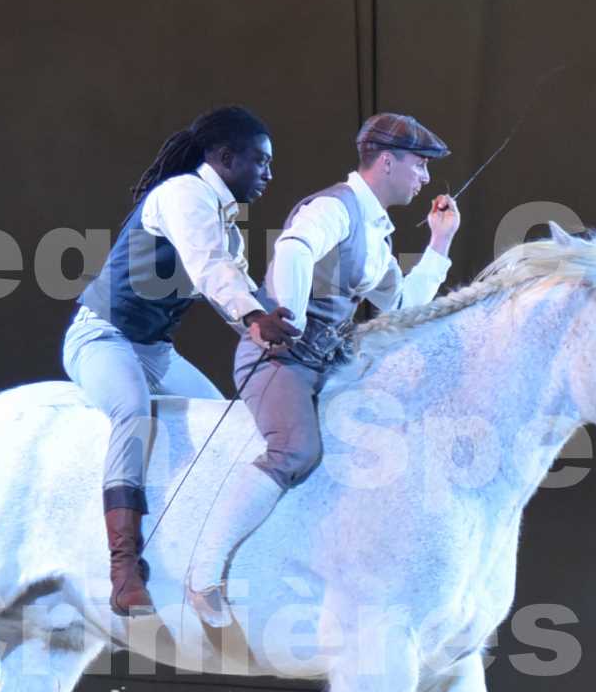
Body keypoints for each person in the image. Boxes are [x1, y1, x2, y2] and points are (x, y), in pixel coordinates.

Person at [185, 112, 462, 626]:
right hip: (280, 359)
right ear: (386, 160)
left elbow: (399, 309)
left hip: (327, 365)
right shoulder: (337, 207)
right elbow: (294, 247)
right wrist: (285, 309)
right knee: (297, 449)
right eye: (419, 166)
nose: (424, 180)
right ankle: (203, 574)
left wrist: (439, 245)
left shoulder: (376, 237)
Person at [65, 106, 300, 615]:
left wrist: (287, 330)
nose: (268, 175)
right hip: (102, 338)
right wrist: (256, 318)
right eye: (260, 162)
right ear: (224, 156)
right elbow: (209, 268)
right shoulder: (182, 195)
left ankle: (201, 557)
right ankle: (124, 568)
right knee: (132, 412)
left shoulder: (226, 226)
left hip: (154, 353)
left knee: (228, 428)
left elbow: (237, 291)